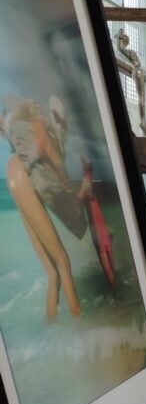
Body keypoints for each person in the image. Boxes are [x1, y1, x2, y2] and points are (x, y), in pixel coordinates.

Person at [1, 95, 87, 319]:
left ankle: (51, 331)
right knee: (63, 263)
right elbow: (45, 152)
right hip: (22, 176)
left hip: (14, 177)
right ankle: (80, 326)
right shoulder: (41, 128)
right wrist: (73, 188)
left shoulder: (17, 124)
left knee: (52, 273)